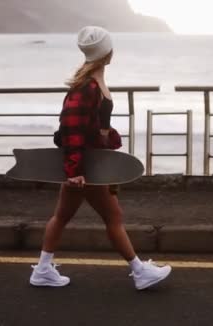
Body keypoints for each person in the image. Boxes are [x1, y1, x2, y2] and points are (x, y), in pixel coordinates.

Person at [29, 26, 172, 290]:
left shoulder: (92, 82)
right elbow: (71, 128)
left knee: (62, 216)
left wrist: (104, 149)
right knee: (112, 216)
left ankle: (42, 269)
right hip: (87, 167)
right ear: (107, 51)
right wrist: (74, 171)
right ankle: (140, 271)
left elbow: (93, 126)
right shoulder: (87, 87)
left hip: (93, 163)